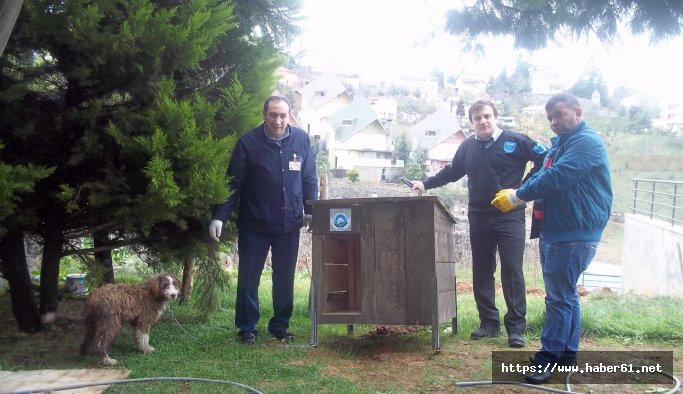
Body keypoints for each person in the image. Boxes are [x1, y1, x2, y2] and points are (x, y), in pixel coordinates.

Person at [491, 92, 612, 384]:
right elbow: (540, 174)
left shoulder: (587, 143)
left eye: (560, 115)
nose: (554, 122)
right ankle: (567, 355)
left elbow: (558, 177)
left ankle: (548, 358)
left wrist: (518, 197)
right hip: (557, 229)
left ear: (578, 112)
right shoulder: (560, 145)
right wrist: (518, 190)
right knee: (566, 294)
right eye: (550, 118)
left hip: (574, 231)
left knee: (558, 297)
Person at [408, 99, 547, 348]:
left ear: (495, 117)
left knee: (512, 270)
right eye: (477, 118)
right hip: (479, 216)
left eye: (487, 116)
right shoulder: (467, 147)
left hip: (510, 216)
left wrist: (523, 189)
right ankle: (489, 324)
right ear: (472, 123)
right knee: (482, 270)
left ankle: (516, 329)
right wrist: (425, 184)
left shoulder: (516, 140)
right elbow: (451, 172)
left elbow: (544, 158)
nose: (483, 121)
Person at [209, 96, 319, 344]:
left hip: (289, 222)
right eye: (273, 115)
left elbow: (309, 176)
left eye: (283, 115)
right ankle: (247, 327)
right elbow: (233, 183)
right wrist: (219, 217)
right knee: (249, 277)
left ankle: (280, 325)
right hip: (255, 224)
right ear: (264, 114)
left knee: (285, 276)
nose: (278, 121)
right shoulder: (247, 143)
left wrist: (311, 210)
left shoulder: (301, 139)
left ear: (289, 115)